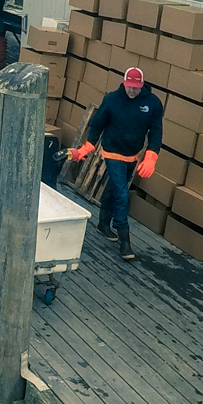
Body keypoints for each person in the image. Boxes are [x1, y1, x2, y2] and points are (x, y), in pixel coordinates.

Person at [67, 66, 163, 260]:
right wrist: (86, 148)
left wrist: (151, 156)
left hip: (132, 156)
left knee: (115, 190)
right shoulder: (111, 100)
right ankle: (124, 240)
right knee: (122, 195)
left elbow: (156, 131)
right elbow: (96, 125)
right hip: (112, 152)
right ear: (124, 83)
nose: (132, 91)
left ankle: (103, 223)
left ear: (141, 85)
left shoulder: (153, 103)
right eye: (129, 86)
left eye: (135, 87)